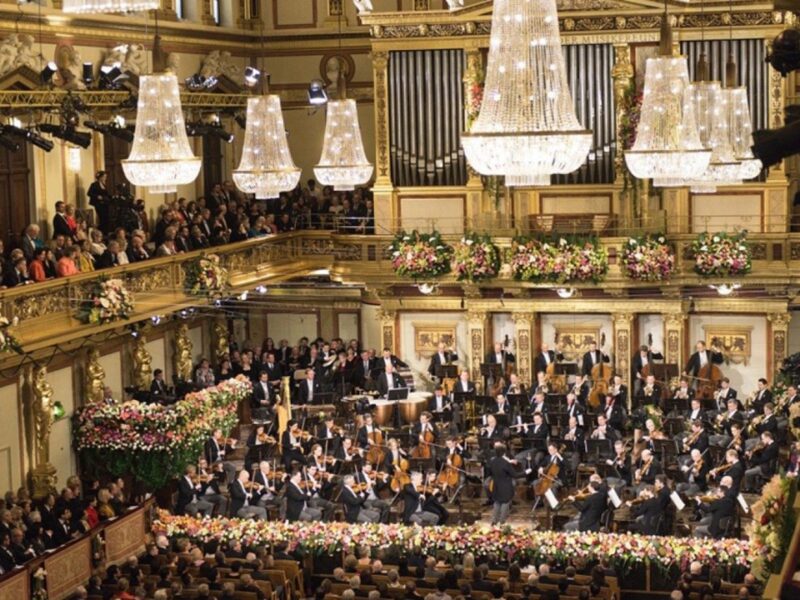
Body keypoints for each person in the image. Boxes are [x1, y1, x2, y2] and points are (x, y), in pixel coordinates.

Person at [487, 443, 520, 525]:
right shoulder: (506, 463)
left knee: (497, 502)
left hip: (495, 484)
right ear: (504, 452)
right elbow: (515, 475)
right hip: (505, 486)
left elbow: (489, 473)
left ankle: (494, 521)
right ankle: (502, 521)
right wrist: (526, 472)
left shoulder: (492, 461)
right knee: (505, 502)